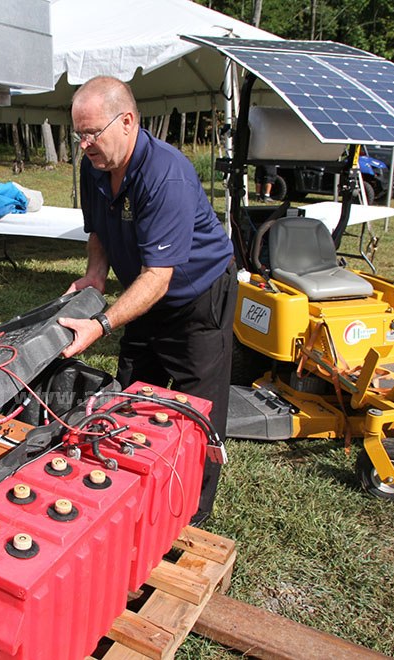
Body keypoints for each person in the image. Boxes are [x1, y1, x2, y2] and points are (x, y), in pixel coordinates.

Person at [58, 76, 238, 525]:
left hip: (197, 295)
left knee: (198, 411)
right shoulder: (94, 165)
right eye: (78, 135)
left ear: (127, 121)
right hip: (144, 289)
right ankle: (132, 491)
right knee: (134, 391)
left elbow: (160, 277)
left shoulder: (166, 173)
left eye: (92, 133)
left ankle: (192, 514)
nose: (84, 145)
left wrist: (101, 324)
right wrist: (96, 275)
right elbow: (98, 227)